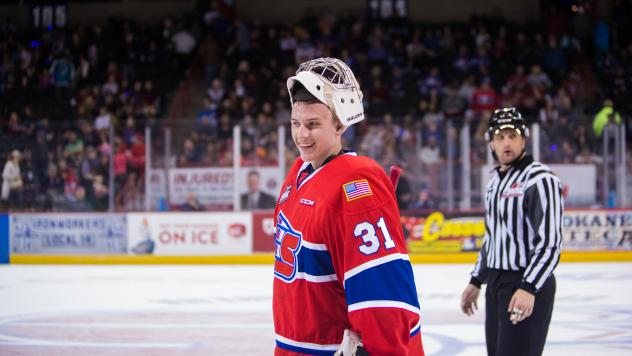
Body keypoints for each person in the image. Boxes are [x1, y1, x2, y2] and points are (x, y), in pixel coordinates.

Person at [273, 57, 424, 355]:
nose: (301, 135)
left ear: (340, 123)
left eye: (313, 125)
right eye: (295, 123)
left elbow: (380, 289)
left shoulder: (357, 182)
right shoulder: (298, 173)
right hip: (293, 346)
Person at [460, 107, 564, 356]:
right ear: (491, 142)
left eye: (512, 135)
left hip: (525, 282)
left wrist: (530, 287)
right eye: (500, 136)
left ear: (524, 138)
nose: (506, 143)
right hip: (497, 284)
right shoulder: (495, 181)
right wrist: (477, 280)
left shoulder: (540, 179)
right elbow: (493, 237)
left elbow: (550, 242)